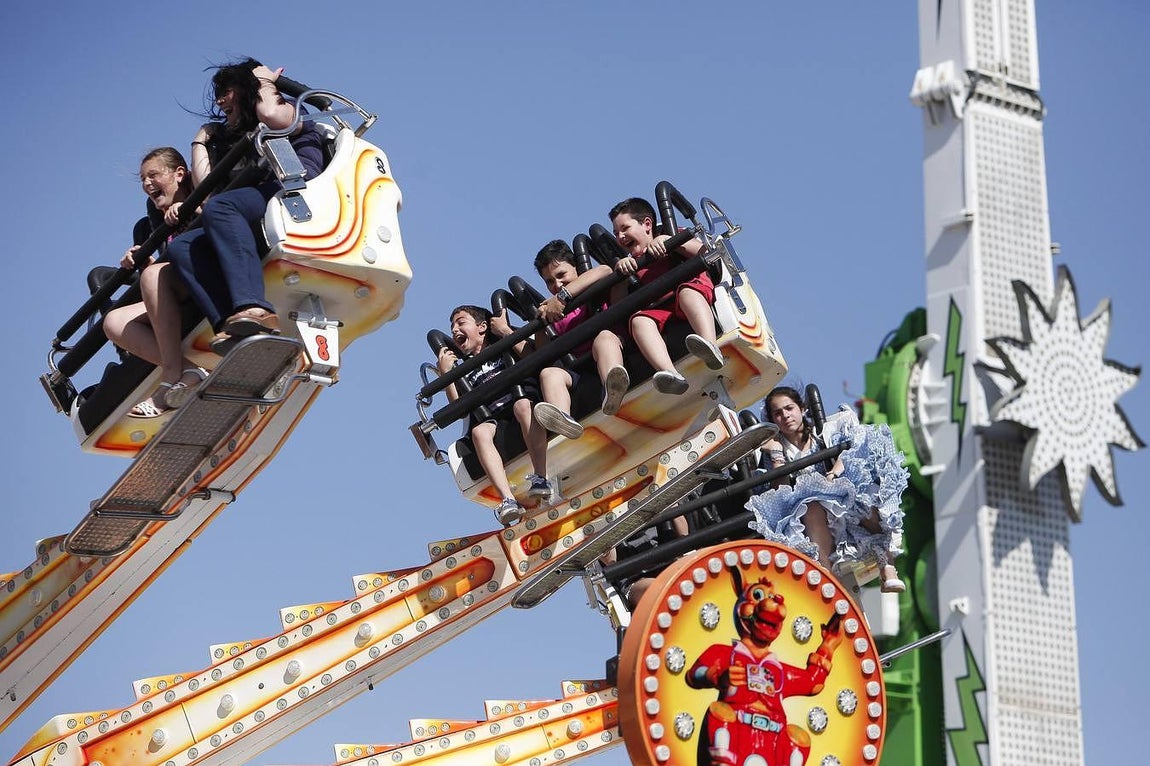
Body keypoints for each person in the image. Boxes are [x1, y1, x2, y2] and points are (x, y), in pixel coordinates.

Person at [165, 58, 325, 354]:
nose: (219, 100)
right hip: (264, 199)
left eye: (226, 91)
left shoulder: (289, 108)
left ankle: (255, 307)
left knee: (223, 208)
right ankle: (230, 325)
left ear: (246, 88)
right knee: (183, 246)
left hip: (300, 189)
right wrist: (200, 142)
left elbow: (272, 114)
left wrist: (264, 81)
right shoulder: (240, 140)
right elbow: (207, 192)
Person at [747, 386, 907, 593]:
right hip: (811, 516)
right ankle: (829, 579)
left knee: (863, 493)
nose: (785, 415)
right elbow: (780, 494)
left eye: (789, 408)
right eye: (777, 413)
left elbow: (851, 453)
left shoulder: (824, 433)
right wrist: (777, 454)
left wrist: (833, 475)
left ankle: (887, 566)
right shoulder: (776, 450)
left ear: (802, 408)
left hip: (840, 498)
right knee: (810, 507)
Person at [103, 147, 207, 418]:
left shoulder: (202, 194)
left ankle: (170, 376)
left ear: (179, 174)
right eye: (143, 180)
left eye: (153, 175)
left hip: (209, 277)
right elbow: (161, 273)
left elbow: (224, 220)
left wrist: (193, 209)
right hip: (181, 288)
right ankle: (190, 370)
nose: (147, 184)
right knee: (113, 322)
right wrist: (144, 262)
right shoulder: (153, 223)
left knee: (153, 276)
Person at [437, 305, 549, 526]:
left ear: (482, 327)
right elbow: (458, 407)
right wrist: (447, 375)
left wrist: (505, 331)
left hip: (521, 401)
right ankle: (507, 499)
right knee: (479, 432)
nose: (455, 330)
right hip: (494, 416)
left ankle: (541, 477)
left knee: (522, 407)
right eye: (452, 328)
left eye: (461, 323)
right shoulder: (465, 369)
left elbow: (532, 354)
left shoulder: (502, 346)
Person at [610, 197, 724, 397]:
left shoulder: (671, 234)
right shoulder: (632, 264)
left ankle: (710, 345)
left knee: (686, 293)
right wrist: (620, 276)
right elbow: (617, 306)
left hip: (691, 292)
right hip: (662, 308)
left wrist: (670, 241)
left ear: (647, 224)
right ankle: (670, 374)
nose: (620, 236)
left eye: (625, 228)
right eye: (616, 233)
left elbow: (706, 252)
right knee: (638, 320)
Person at [530, 239, 630, 445]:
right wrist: (540, 322)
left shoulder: (590, 287)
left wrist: (563, 296)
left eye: (561, 275)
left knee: (603, 338)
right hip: (579, 369)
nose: (557, 284)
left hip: (611, 349)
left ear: (575, 267)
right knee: (549, 374)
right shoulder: (556, 312)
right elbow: (543, 352)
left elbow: (604, 270)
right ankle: (564, 420)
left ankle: (613, 388)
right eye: (549, 282)